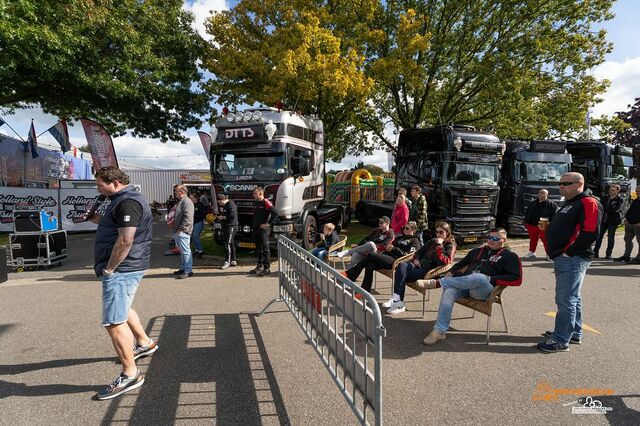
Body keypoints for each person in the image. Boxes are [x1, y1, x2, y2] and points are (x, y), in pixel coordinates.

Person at [88, 167, 156, 400]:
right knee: (123, 309)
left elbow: (126, 239)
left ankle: (130, 374)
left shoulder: (128, 203)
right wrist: (95, 216)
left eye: (100, 185)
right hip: (126, 268)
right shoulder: (119, 200)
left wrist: (110, 269)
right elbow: (113, 227)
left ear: (115, 182)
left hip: (122, 269)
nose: (98, 189)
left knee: (113, 321)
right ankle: (145, 343)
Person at [418, 227, 522, 344]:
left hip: (485, 290)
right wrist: (451, 271)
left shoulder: (510, 256)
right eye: (489, 237)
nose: (491, 240)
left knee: (480, 277)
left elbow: (516, 279)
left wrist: (490, 278)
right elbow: (461, 264)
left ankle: (438, 282)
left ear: (504, 240)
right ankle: (439, 331)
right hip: (466, 286)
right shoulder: (477, 251)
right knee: (449, 292)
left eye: (495, 238)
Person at [536, 172, 602, 353]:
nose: (561, 186)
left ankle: (560, 339)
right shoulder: (571, 202)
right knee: (574, 298)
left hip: (573, 258)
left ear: (579, 184)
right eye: (560, 183)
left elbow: (590, 232)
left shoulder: (588, 202)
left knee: (566, 300)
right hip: (565, 257)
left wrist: (568, 252)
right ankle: (573, 333)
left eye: (566, 183)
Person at [384, 222, 456, 315]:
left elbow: (447, 262)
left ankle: (398, 302)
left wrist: (439, 246)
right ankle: (397, 300)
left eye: (441, 232)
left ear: (447, 233)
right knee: (402, 265)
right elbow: (418, 252)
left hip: (429, 271)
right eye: (437, 232)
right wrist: (416, 259)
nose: (438, 234)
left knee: (401, 274)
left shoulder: (450, 245)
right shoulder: (432, 241)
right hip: (418, 265)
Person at [343, 221, 421, 295]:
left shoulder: (415, 241)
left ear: (413, 230)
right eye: (404, 228)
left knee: (371, 255)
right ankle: (365, 291)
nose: (404, 229)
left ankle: (350, 274)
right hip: (387, 257)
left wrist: (394, 249)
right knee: (370, 265)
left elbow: (409, 255)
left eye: (407, 228)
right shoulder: (399, 237)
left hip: (396, 262)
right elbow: (390, 246)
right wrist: (388, 248)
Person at [522, 189, 558, 259]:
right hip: (531, 224)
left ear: (546, 195)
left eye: (542, 193)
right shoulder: (533, 203)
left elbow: (555, 216)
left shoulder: (552, 204)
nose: (540, 194)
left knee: (545, 240)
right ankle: (532, 252)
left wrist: (551, 225)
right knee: (533, 239)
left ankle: (548, 254)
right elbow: (527, 213)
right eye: (539, 193)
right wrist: (525, 222)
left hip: (543, 224)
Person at [594, 183, 623, 259]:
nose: (610, 191)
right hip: (604, 220)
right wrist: (606, 208)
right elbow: (599, 207)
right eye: (610, 190)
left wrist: (604, 208)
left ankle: (608, 254)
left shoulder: (619, 200)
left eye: (613, 190)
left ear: (617, 191)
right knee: (599, 236)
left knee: (610, 237)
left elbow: (614, 210)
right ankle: (595, 252)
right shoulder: (604, 198)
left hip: (613, 221)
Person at [172, 184, 194, 279]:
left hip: (183, 231)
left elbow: (188, 218)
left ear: (181, 192)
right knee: (182, 251)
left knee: (186, 251)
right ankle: (183, 268)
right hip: (179, 231)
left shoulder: (187, 202)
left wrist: (180, 230)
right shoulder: (182, 201)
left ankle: (188, 271)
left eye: (176, 191)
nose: (175, 193)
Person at [251, 186, 273, 276]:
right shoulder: (257, 203)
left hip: (263, 230)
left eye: (255, 193)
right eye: (253, 194)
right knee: (258, 249)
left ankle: (267, 268)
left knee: (265, 249)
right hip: (256, 229)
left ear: (260, 194)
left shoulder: (266, 202)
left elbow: (275, 212)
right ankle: (259, 265)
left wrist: (268, 224)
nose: (253, 195)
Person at [615, 194, 640, 264]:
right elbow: (630, 210)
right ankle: (626, 256)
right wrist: (626, 219)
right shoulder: (635, 200)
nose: (638, 193)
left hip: (638, 225)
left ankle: (638, 259)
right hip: (629, 224)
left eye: (639, 191)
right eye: (637, 191)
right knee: (627, 240)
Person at [216, 193, 239, 269]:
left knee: (227, 243)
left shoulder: (231, 204)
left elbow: (232, 216)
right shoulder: (225, 205)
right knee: (231, 242)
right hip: (226, 226)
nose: (219, 203)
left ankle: (227, 261)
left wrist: (223, 217)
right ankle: (233, 259)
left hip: (231, 226)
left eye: (219, 202)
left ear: (223, 199)